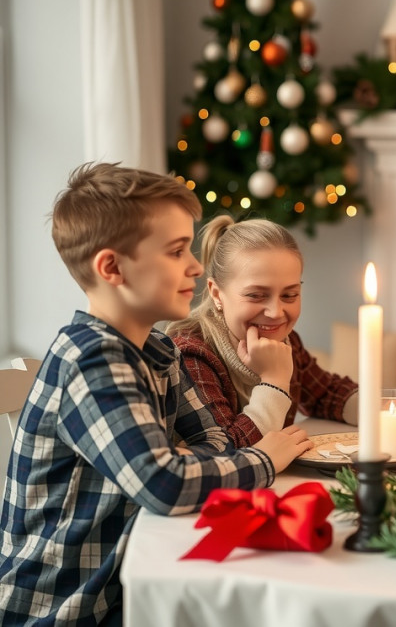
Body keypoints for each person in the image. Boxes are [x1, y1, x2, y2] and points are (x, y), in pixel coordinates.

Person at [0, 163, 312, 625]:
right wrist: (264, 458)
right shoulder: (92, 362)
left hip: (123, 587)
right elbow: (165, 485)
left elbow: (219, 442)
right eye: (176, 251)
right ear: (112, 268)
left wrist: (184, 460)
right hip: (67, 610)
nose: (196, 266)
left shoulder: (157, 350)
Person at [167, 215, 396, 448]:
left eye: (290, 295)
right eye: (256, 295)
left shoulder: (285, 342)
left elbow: (327, 394)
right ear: (217, 294)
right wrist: (274, 380)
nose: (276, 312)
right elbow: (226, 450)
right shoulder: (191, 354)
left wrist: (390, 414)